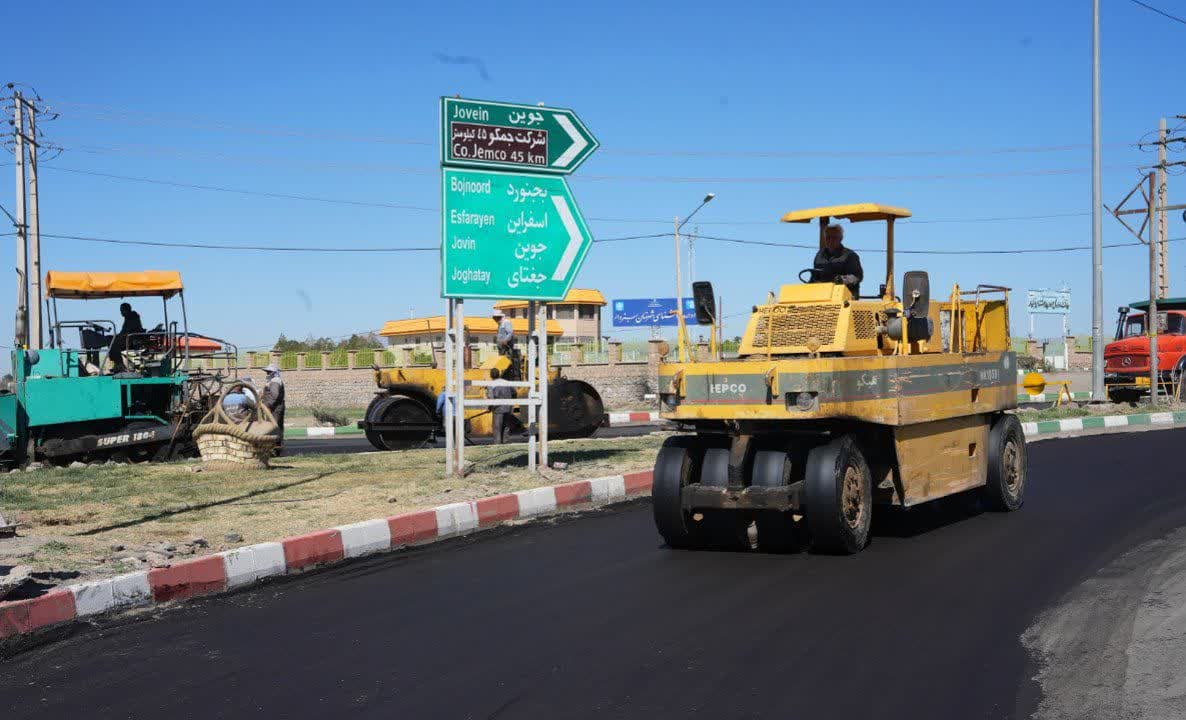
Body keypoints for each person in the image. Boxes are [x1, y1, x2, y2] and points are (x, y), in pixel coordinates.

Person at [812, 224, 864, 297]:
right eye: (828, 237)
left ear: (841, 238)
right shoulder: (819, 256)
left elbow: (857, 276)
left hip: (844, 298)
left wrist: (842, 280)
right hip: (823, 296)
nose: (830, 240)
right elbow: (814, 276)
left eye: (834, 238)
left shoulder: (850, 255)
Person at [107, 302, 145, 373]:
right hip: (128, 338)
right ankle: (117, 364)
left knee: (113, 343)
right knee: (111, 340)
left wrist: (117, 336)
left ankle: (120, 364)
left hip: (132, 339)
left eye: (122, 310)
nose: (121, 312)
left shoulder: (132, 317)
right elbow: (124, 332)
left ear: (126, 310)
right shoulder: (129, 317)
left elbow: (128, 331)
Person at [261, 364, 286, 454]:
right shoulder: (271, 381)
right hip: (272, 407)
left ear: (274, 372)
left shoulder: (275, 381)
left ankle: (275, 449)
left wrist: (268, 405)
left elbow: (274, 396)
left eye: (269, 372)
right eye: (267, 372)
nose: (267, 373)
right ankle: (273, 448)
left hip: (275, 408)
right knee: (272, 427)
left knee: (274, 427)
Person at [488, 366, 515, 444]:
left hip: (498, 408)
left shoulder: (491, 384)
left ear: (491, 375)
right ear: (499, 374)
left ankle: (497, 443)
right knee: (506, 425)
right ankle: (505, 441)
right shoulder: (506, 382)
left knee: (497, 427)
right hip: (508, 407)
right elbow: (514, 392)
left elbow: (491, 398)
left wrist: (489, 407)